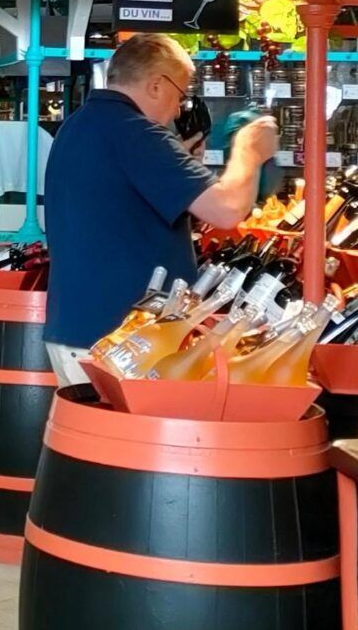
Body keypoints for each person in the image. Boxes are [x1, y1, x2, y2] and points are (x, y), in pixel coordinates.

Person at [43, 32, 279, 382]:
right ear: (156, 85)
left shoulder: (81, 124)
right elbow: (227, 211)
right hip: (122, 340)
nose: (176, 109)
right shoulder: (138, 134)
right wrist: (248, 151)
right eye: (179, 96)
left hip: (80, 329)